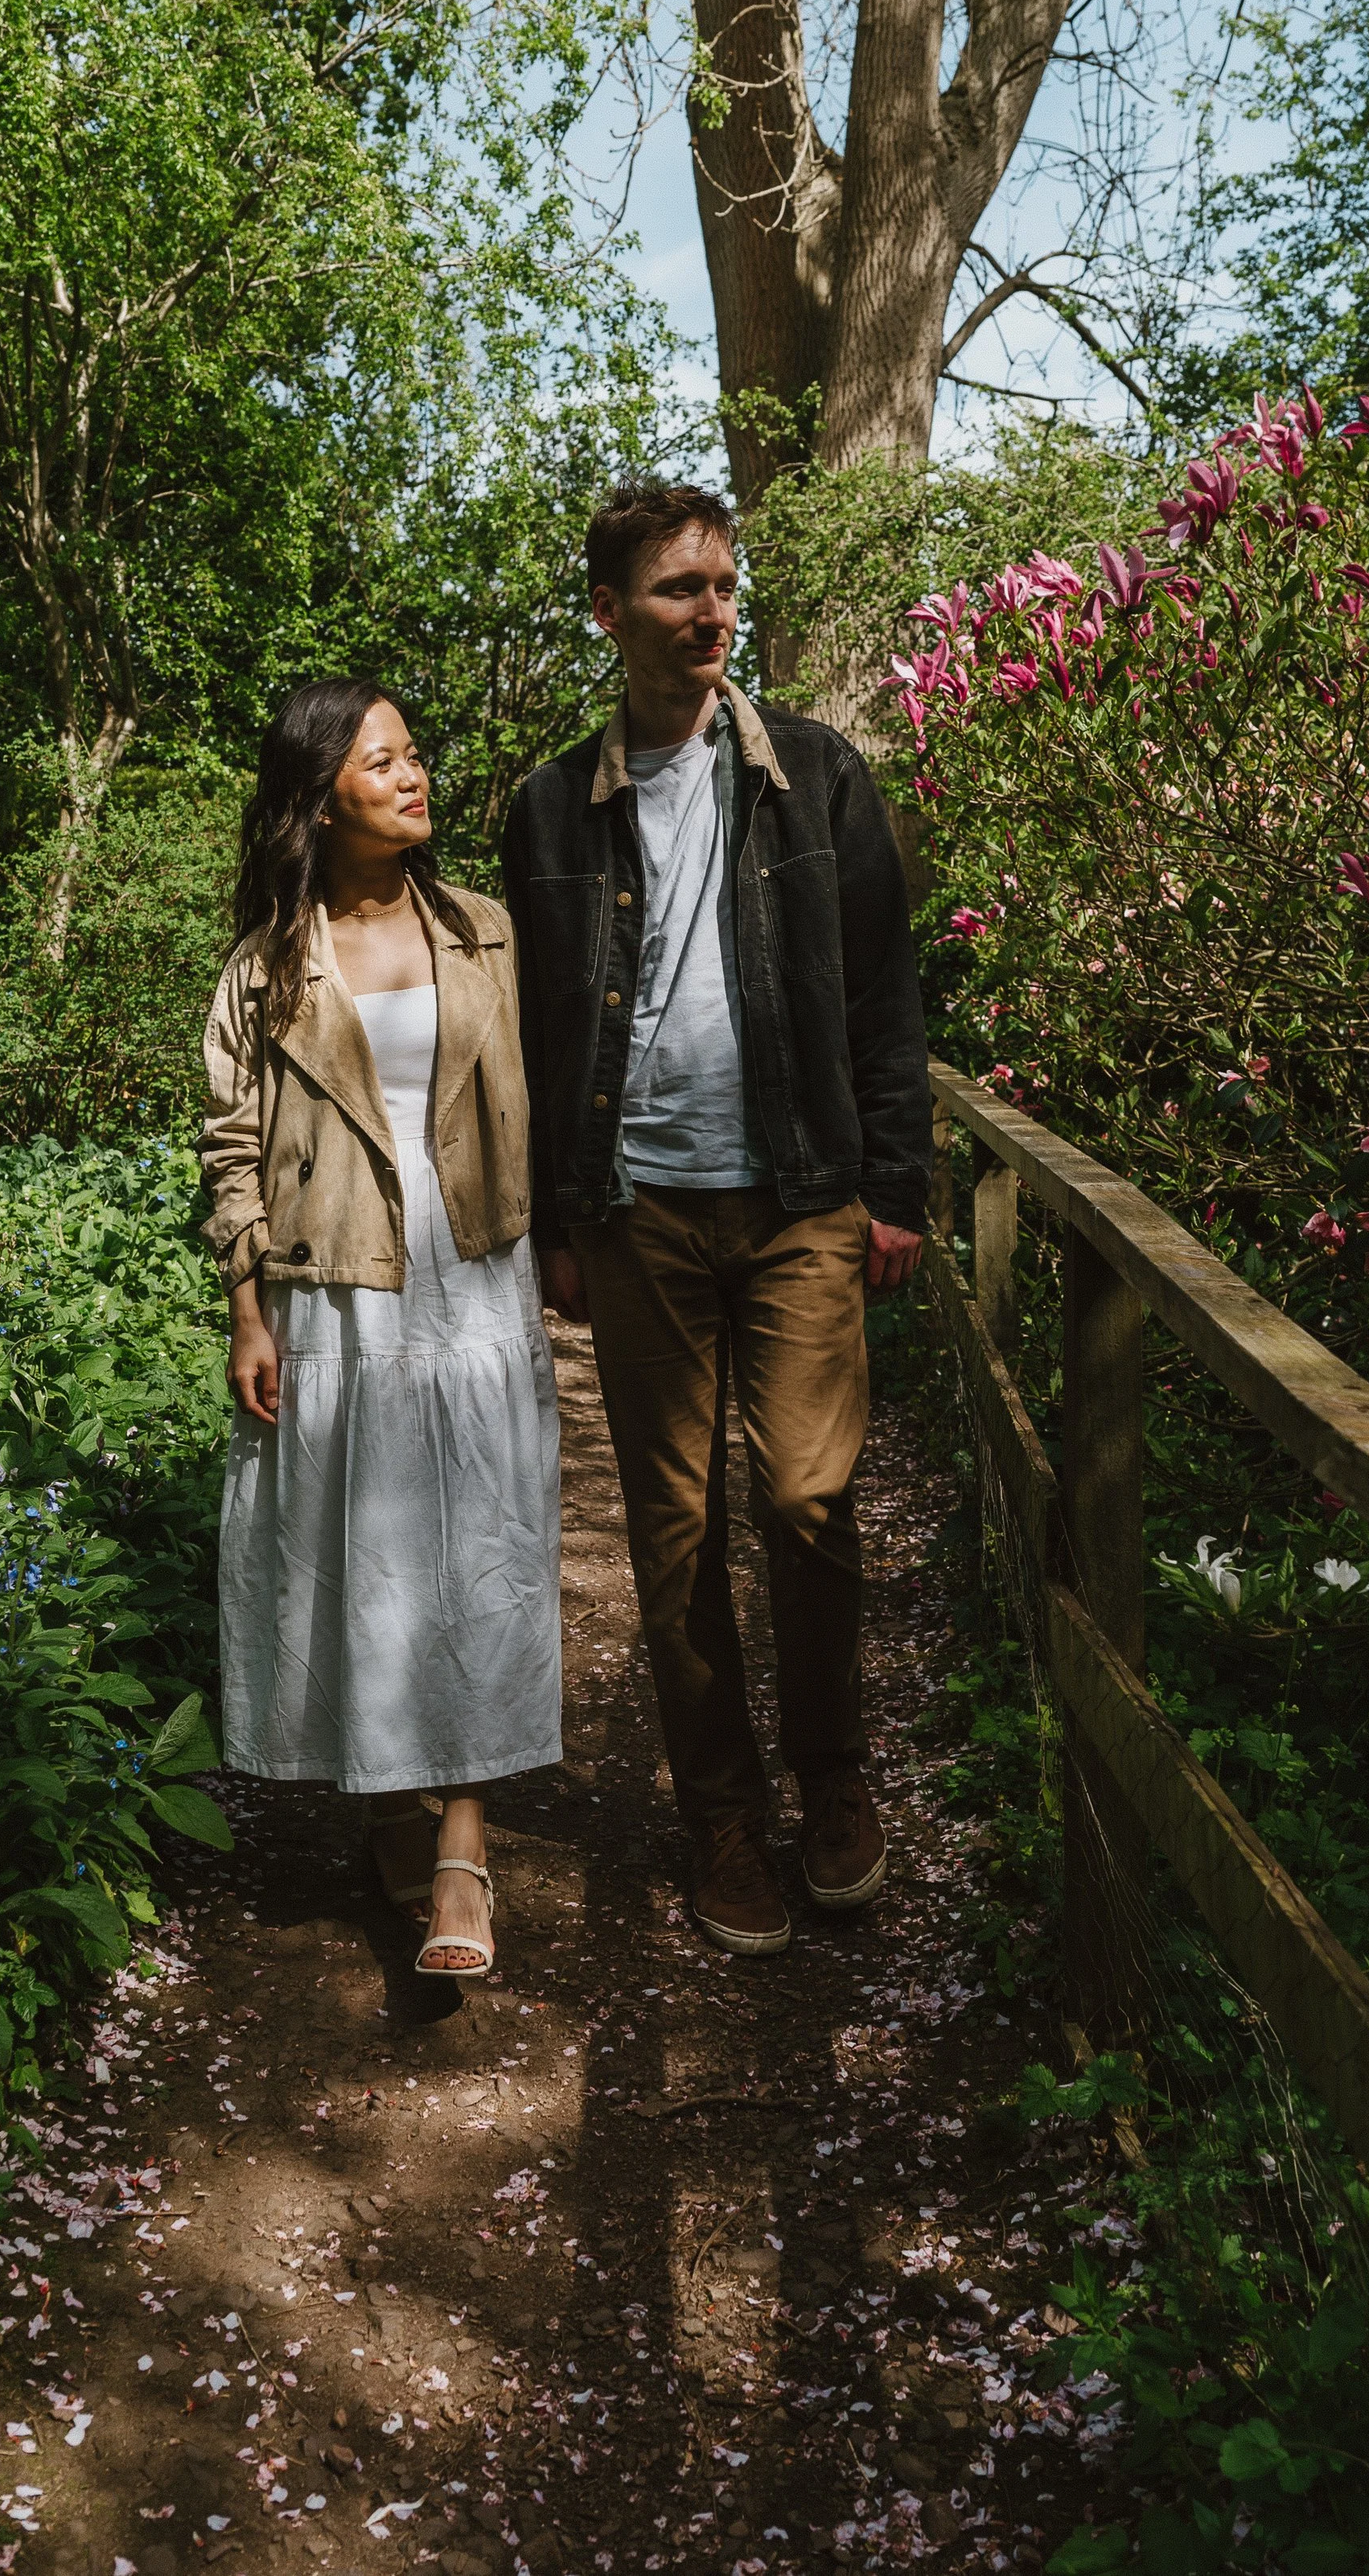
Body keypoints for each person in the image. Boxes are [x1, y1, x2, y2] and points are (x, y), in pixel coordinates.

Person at [502, 485, 931, 1958]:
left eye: (727, 587)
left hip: (804, 1198)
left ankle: (836, 1777)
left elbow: (883, 998)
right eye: (680, 588)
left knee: (809, 1502)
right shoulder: (551, 805)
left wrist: (899, 1186)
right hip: (639, 1219)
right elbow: (546, 1031)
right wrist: (560, 1218)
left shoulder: (817, 776)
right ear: (613, 611)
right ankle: (723, 1819)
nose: (712, 611)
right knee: (674, 1534)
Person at [199, 678, 562, 1979]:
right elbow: (230, 1143)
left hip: (471, 1270)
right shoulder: (265, 967)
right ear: (318, 795)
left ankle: (461, 1847)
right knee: (361, 1540)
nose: (413, 776)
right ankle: (389, 1801)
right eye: (381, 761)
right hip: (330, 1278)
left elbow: (553, 1089)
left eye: (413, 753)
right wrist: (246, 1307)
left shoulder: (488, 933)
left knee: (479, 1534)